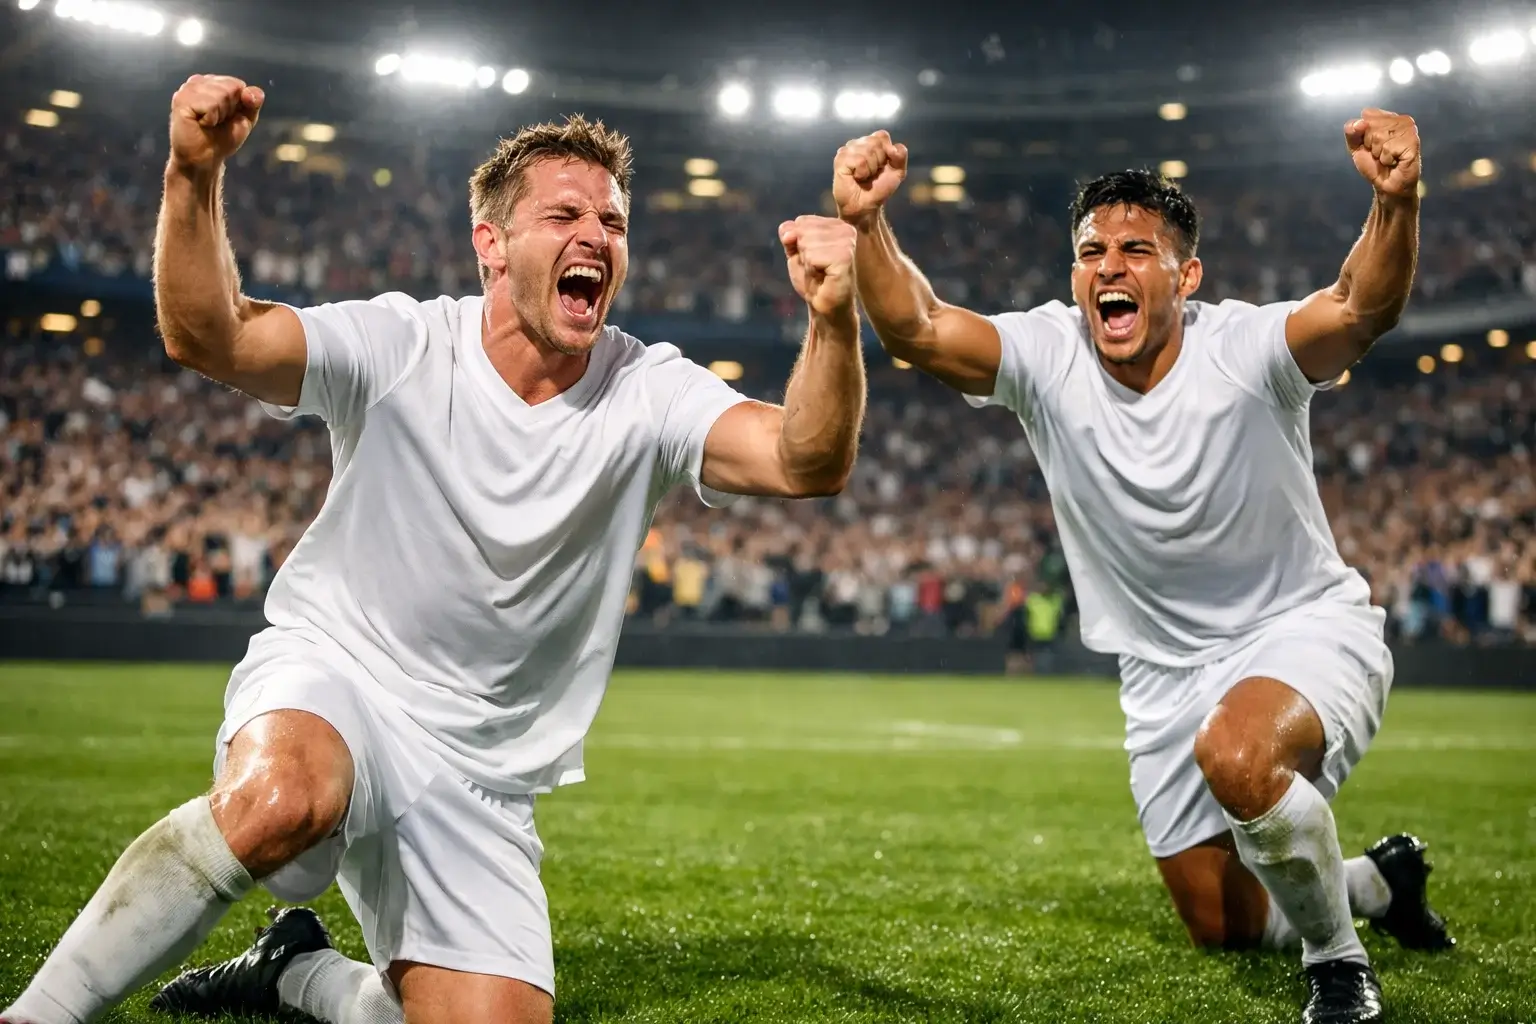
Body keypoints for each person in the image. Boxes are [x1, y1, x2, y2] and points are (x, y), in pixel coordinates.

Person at [1, 74, 866, 1024]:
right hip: (339, 672)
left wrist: (830, 318)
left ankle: (295, 975)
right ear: (491, 245)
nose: (596, 237)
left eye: (614, 223)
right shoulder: (404, 344)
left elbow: (805, 461)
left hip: (479, 771)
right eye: (564, 215)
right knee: (285, 798)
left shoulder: (647, 390)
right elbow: (210, 335)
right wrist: (192, 173)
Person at [835, 112, 1450, 1024]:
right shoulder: (1048, 355)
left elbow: (1361, 307)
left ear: (1186, 275)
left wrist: (1394, 201)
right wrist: (866, 224)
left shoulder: (1243, 349)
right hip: (1160, 674)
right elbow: (919, 329)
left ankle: (1337, 962)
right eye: (1091, 251)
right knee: (1224, 925)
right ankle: (1375, 886)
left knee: (1239, 756)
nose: (1109, 266)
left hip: (1302, 628)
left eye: (1135, 249)